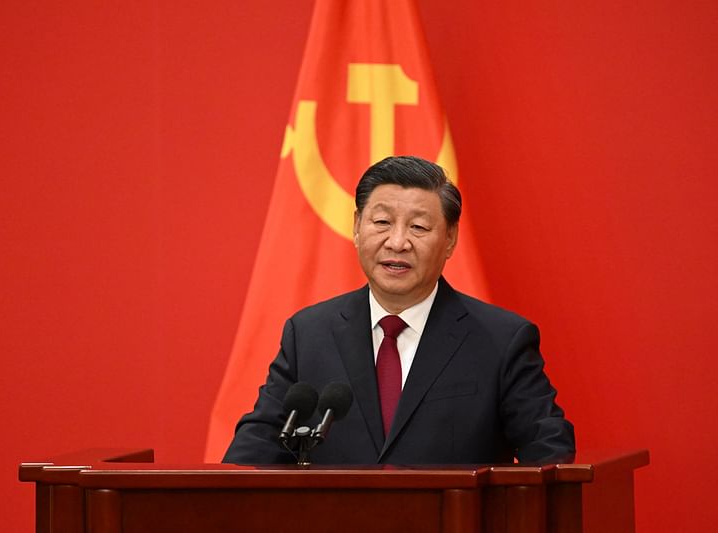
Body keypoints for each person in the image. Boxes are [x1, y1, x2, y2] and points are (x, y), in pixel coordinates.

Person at [223, 155, 574, 465]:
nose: (397, 242)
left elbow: (550, 452)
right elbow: (256, 448)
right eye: (382, 223)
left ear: (450, 238)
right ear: (357, 227)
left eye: (419, 227)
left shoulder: (501, 340)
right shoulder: (309, 333)